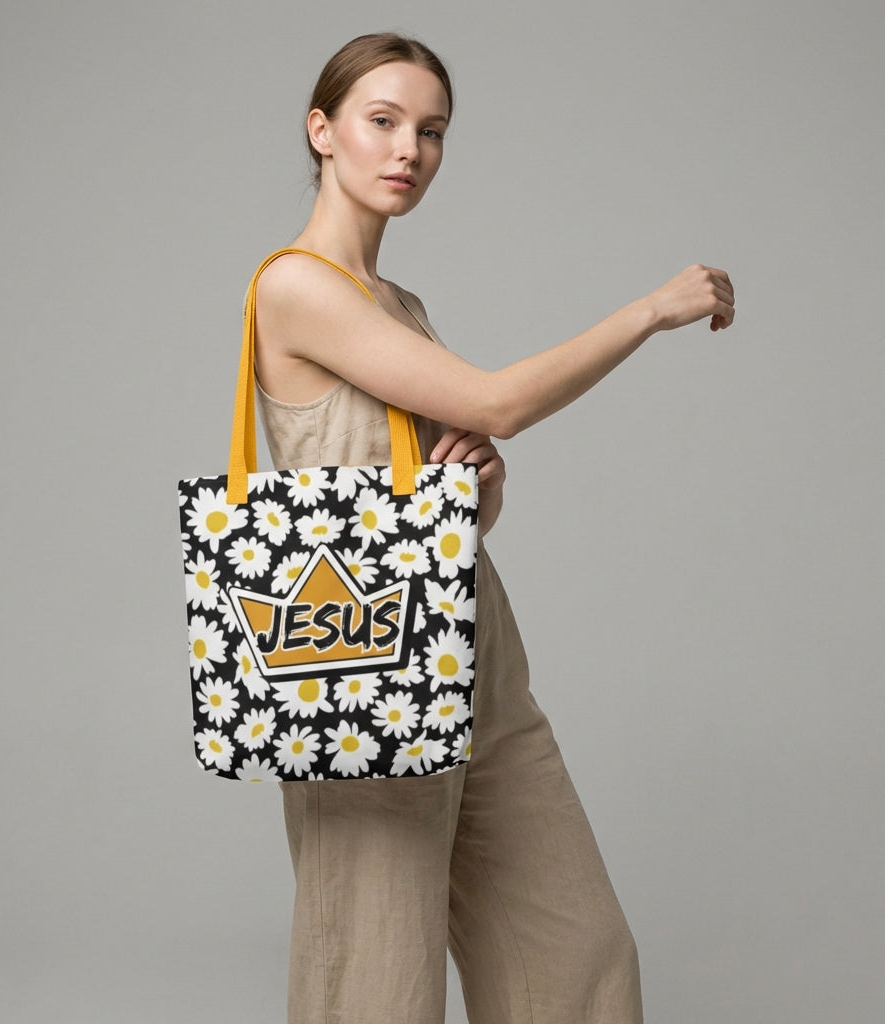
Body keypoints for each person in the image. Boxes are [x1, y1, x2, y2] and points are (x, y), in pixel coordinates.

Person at [251, 32, 734, 1024]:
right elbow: (498, 400)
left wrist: (479, 489)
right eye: (382, 120)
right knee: (374, 978)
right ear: (322, 130)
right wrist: (650, 310)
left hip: (474, 655)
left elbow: (447, 484)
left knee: (576, 952)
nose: (408, 150)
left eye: (430, 130)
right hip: (362, 659)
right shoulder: (293, 286)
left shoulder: (402, 307)